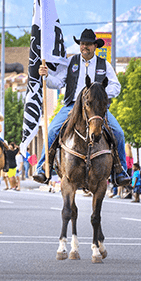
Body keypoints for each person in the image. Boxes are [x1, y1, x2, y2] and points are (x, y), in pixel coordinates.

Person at [33, 29, 131, 186]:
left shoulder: (103, 64)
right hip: (71, 106)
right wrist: (46, 76)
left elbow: (116, 86)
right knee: (52, 130)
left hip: (96, 109)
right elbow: (58, 82)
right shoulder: (71, 62)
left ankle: (121, 171)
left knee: (118, 132)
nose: (85, 47)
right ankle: (43, 168)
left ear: (94, 46)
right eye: (82, 44)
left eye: (88, 44)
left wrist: (101, 93)